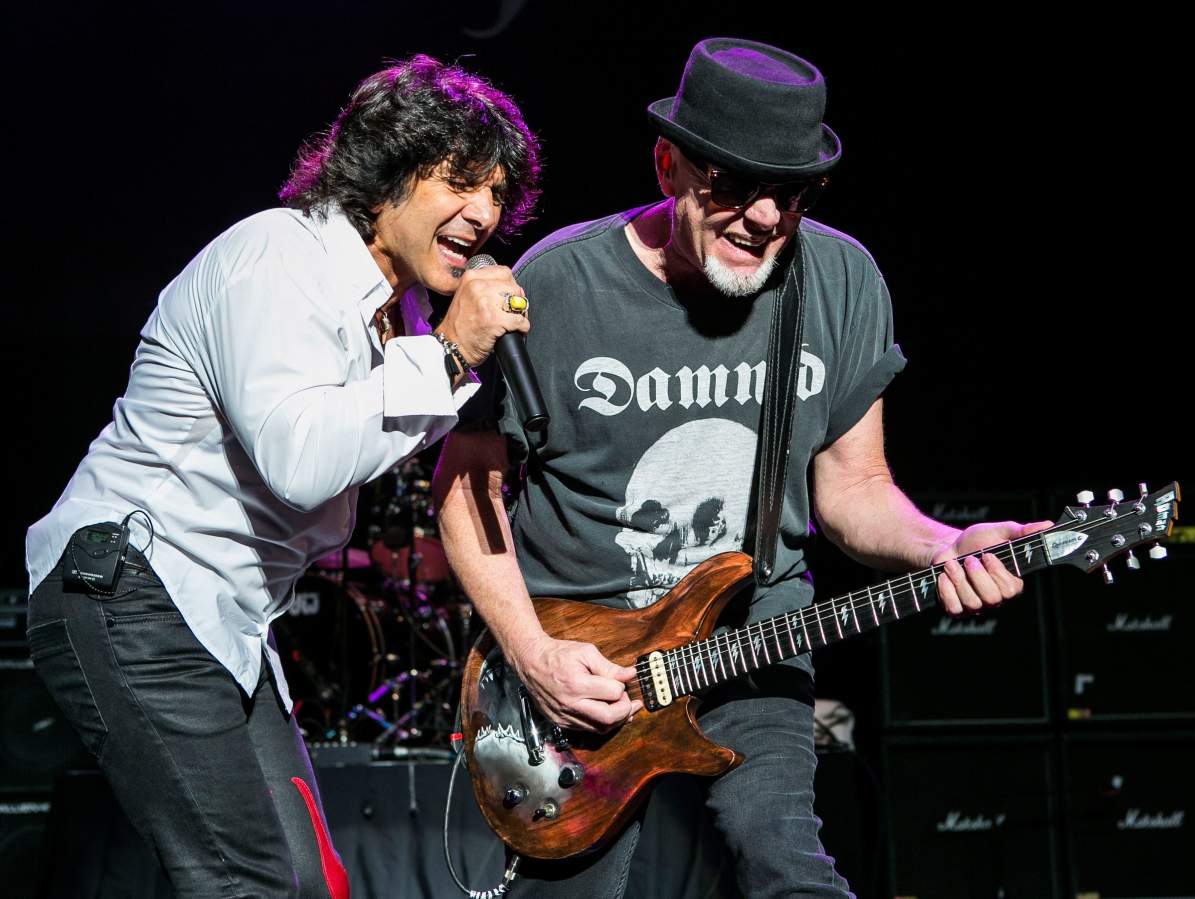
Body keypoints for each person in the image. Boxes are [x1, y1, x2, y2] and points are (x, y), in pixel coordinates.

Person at [434, 38, 1049, 898]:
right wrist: (531, 650)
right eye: (731, 183)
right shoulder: (560, 285)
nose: (764, 215)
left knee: (786, 865)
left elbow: (854, 491)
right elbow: (464, 488)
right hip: (580, 670)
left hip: (754, 639)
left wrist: (944, 544)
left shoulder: (840, 280)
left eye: (789, 194)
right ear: (667, 165)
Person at [25, 54, 539, 898]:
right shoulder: (278, 256)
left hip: (218, 618)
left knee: (309, 879)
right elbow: (299, 459)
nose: (484, 214)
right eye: (460, 183)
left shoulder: (393, 314)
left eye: (497, 196)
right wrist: (448, 354)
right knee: (246, 880)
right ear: (385, 176)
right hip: (130, 586)